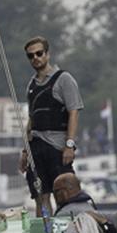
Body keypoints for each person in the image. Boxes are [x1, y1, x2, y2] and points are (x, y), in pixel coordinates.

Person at [18, 36, 84, 215]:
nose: (35, 58)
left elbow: (74, 112)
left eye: (39, 53)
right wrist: (25, 151)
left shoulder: (64, 79)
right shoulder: (31, 85)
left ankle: (68, 232)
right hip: (36, 146)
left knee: (64, 194)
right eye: (31, 56)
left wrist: (69, 144)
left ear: (47, 54)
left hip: (57, 146)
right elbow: (31, 119)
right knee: (40, 195)